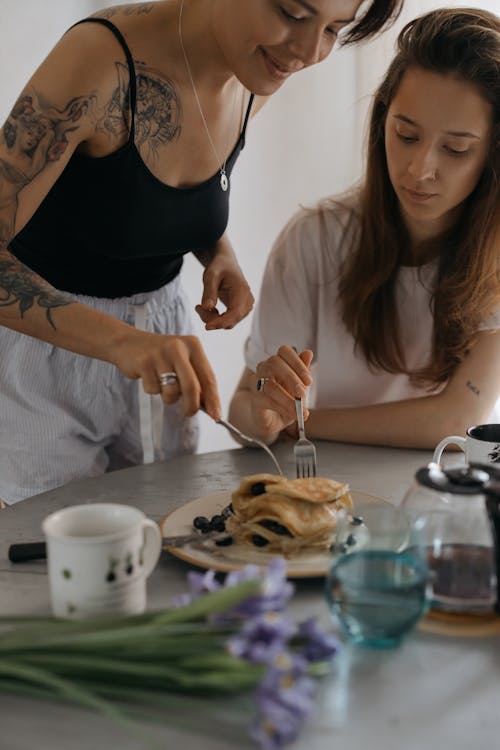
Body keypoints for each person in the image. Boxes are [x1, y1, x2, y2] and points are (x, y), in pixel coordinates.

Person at [0, 0, 403, 504]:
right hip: (49, 364)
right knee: (54, 562)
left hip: (162, 342)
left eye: (333, 30)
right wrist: (121, 341)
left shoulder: (256, 70)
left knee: (170, 538)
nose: (306, 52)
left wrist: (217, 250)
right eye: (292, 13)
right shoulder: (98, 63)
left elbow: (145, 194)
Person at [229, 7, 500, 451]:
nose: (420, 168)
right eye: (406, 135)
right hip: (341, 496)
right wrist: (263, 413)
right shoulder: (313, 239)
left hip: (453, 498)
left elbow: (456, 420)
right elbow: (244, 407)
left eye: (455, 149)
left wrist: (302, 425)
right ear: (382, 122)